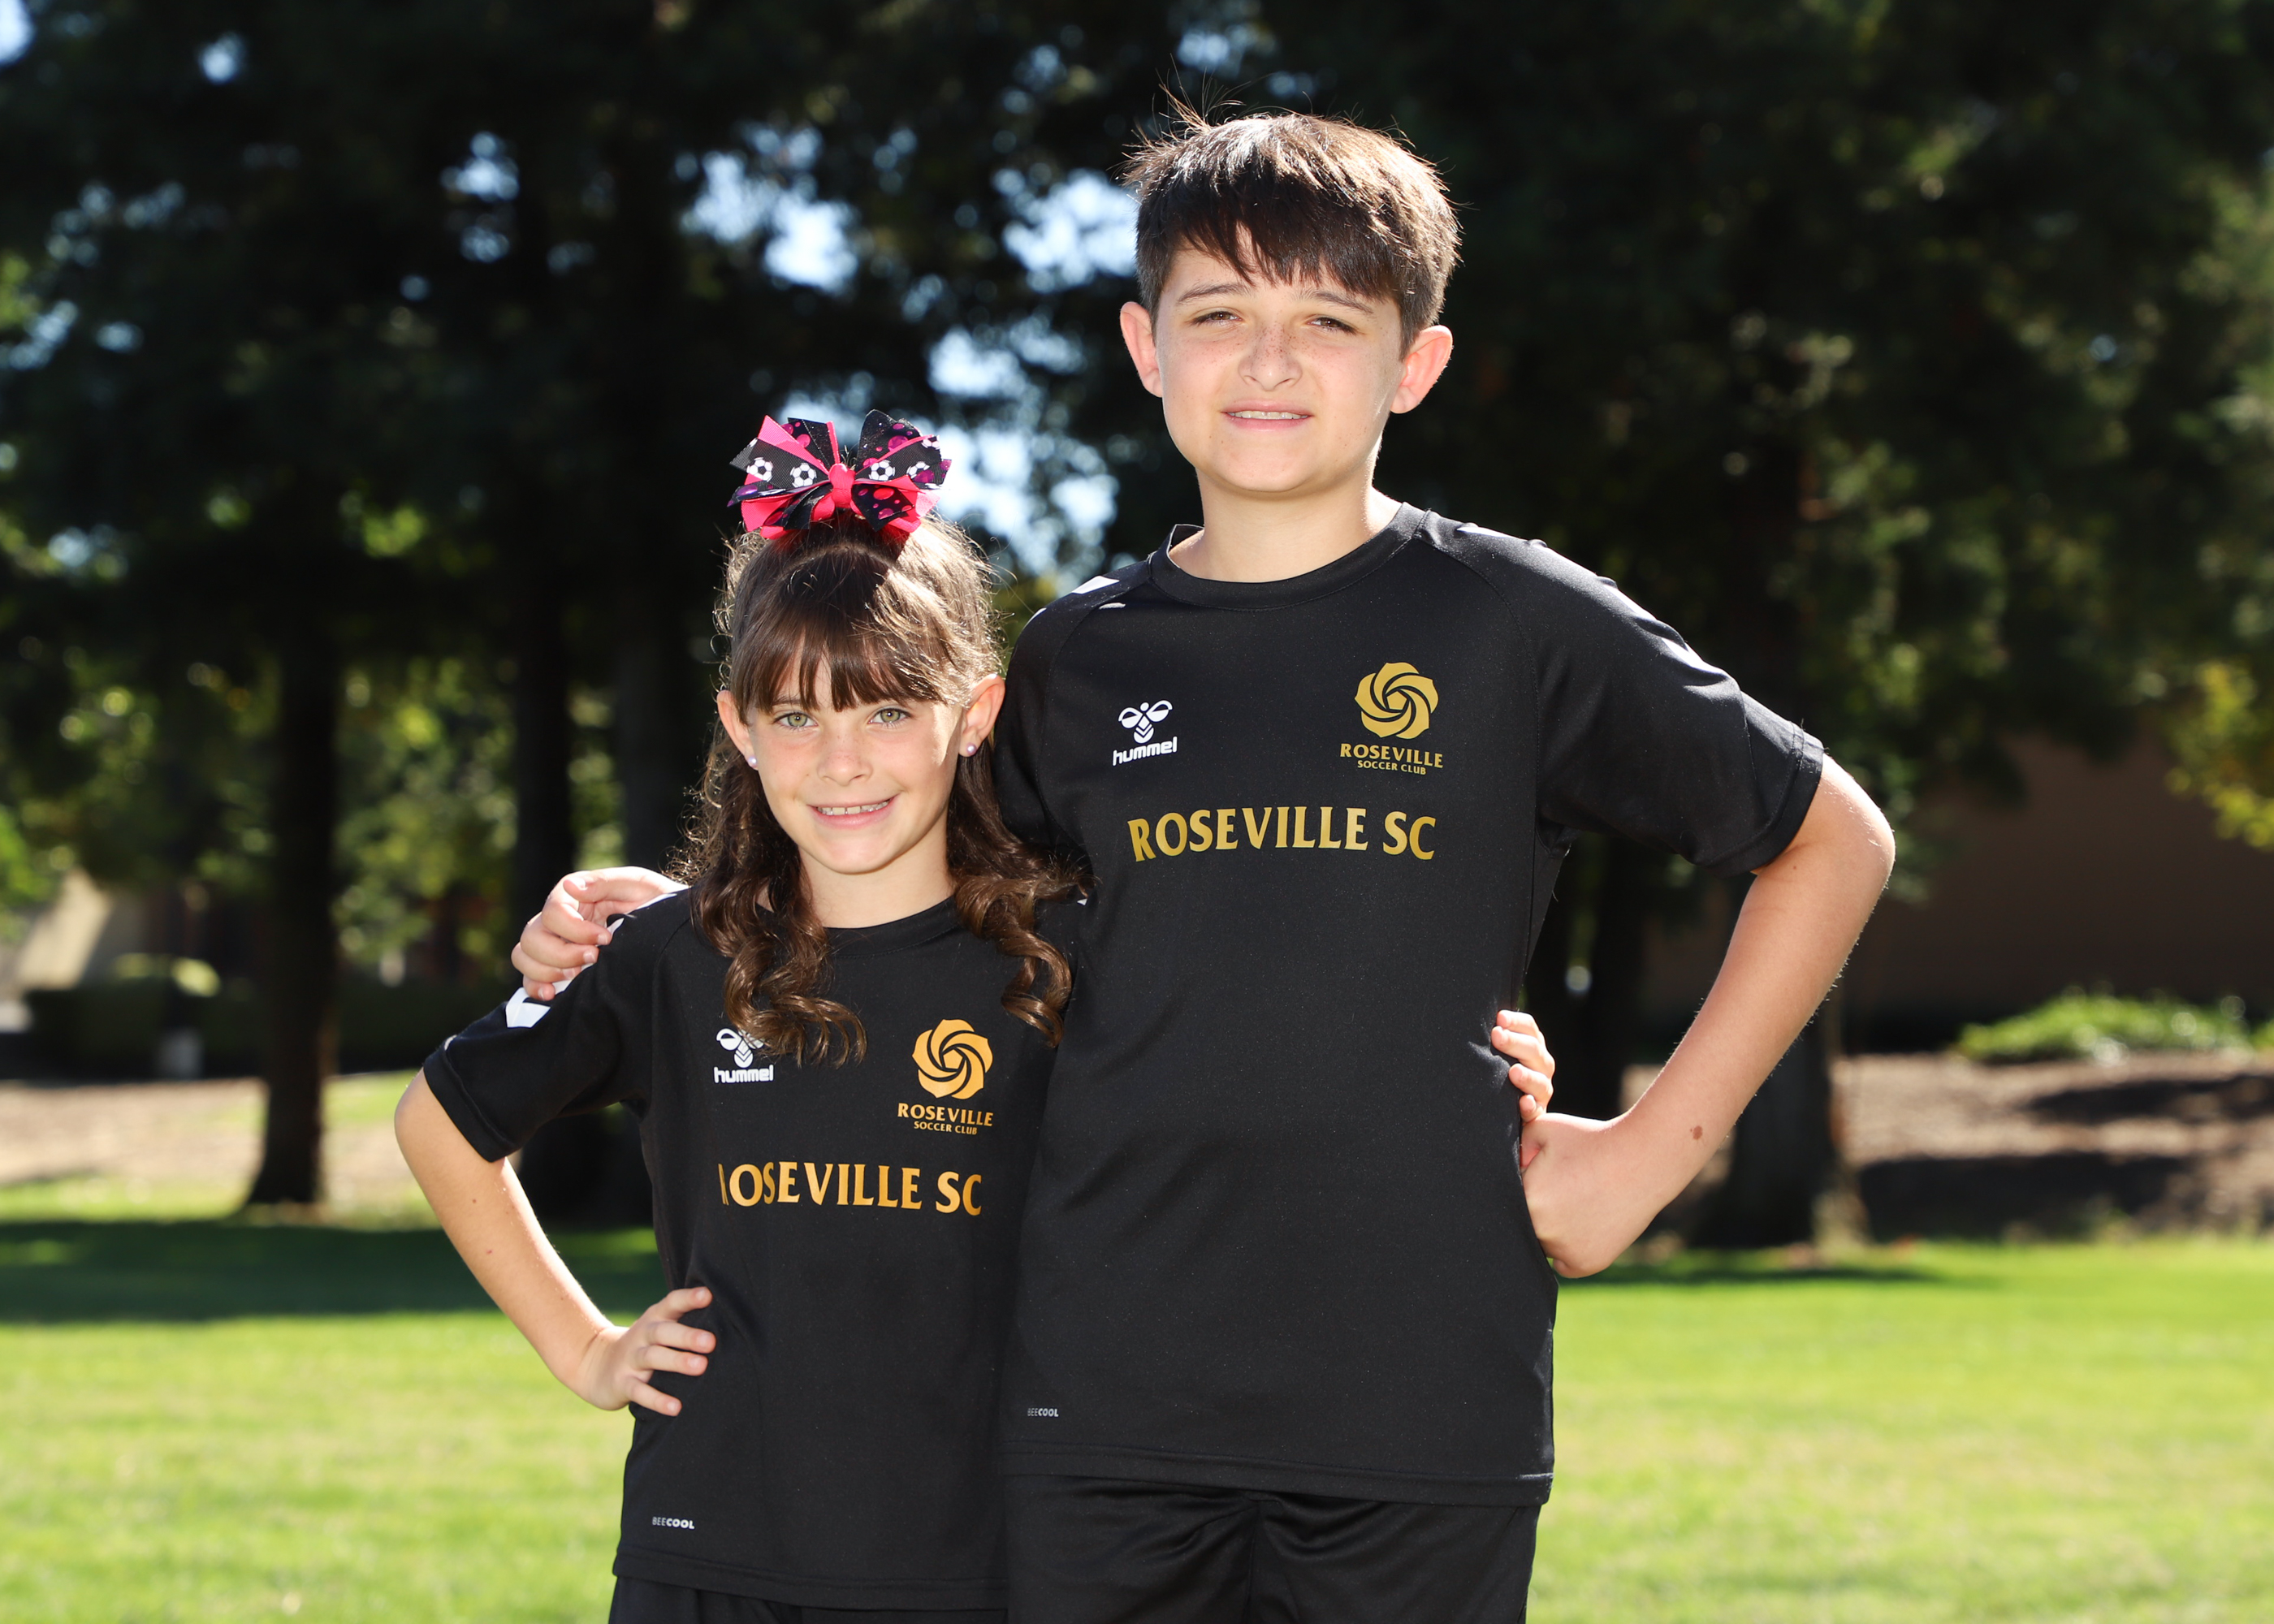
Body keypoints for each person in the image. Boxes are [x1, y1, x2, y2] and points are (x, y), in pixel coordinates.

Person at [518, 109, 1893, 1624]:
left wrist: (1641, 1158)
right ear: (1146, 347)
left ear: (1417, 362)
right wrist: (680, 923)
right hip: (1097, 1411)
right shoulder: (1077, 660)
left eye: (1330, 321)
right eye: (1220, 314)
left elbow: (1832, 838)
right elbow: (916, 901)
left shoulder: (1512, 623)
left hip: (1421, 1403)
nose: (1269, 362)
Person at [396, 413, 1080, 1624]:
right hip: (706, 1559)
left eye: (887, 710)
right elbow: (439, 1125)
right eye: (797, 717)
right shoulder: (672, 956)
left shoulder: (1056, 958)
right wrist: (587, 1350)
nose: (842, 762)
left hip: (979, 1565)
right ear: (739, 731)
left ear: (975, 714)